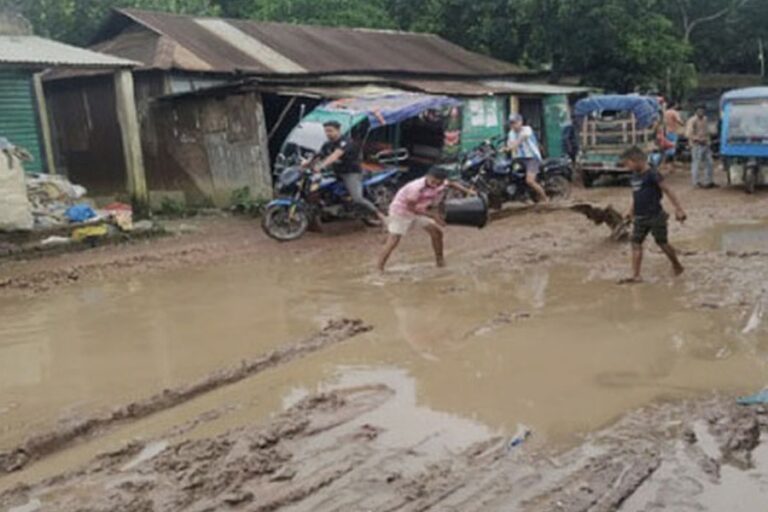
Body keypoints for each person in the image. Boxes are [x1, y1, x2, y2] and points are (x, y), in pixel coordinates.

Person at [377, 167, 474, 272]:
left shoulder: (442, 183)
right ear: (427, 177)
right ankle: (379, 268)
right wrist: (434, 216)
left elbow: (451, 183)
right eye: (433, 182)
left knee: (437, 233)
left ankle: (440, 261)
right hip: (401, 212)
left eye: (439, 183)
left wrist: (468, 191)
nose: (436, 185)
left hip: (419, 210)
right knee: (393, 241)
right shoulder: (415, 188)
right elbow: (411, 208)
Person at [619, 146, 687, 284]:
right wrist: (630, 211)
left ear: (637, 160)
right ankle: (636, 275)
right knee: (635, 243)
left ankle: (676, 264)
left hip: (656, 215)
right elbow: (635, 195)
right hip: (639, 217)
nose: (627, 167)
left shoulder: (653, 174)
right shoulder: (634, 176)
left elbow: (667, 190)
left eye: (628, 163)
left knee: (662, 243)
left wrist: (679, 209)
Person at [309, 121, 386, 221]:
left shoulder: (346, 142)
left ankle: (381, 216)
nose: (328, 133)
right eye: (326, 131)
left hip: (351, 173)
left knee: (357, 198)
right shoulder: (327, 144)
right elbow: (317, 155)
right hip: (337, 172)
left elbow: (335, 155)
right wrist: (306, 163)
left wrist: (321, 165)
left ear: (338, 130)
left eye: (330, 131)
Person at [506, 114, 548, 203]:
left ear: (521, 122)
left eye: (515, 122)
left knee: (529, 181)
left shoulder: (527, 129)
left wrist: (511, 146)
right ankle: (523, 196)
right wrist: (506, 148)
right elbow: (510, 143)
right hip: (519, 159)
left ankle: (545, 198)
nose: (513, 125)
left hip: (532, 158)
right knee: (510, 175)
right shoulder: (511, 133)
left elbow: (521, 139)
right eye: (511, 123)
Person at [685, 107, 716, 188]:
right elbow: (688, 134)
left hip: (706, 144)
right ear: (696, 111)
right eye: (699, 111)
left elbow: (707, 131)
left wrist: (708, 141)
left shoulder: (705, 119)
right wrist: (698, 140)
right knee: (696, 163)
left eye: (702, 111)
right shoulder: (692, 120)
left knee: (710, 163)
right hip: (696, 145)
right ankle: (696, 182)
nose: (701, 112)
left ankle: (708, 181)